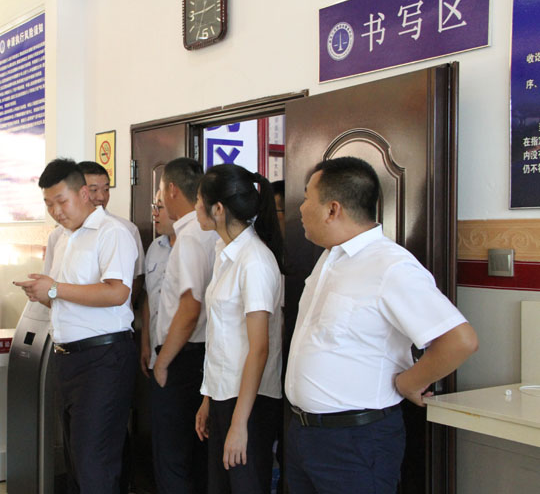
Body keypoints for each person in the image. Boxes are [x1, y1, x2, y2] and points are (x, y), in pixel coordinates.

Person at [285, 157, 479, 493]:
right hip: (305, 435)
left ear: (332, 209)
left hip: (355, 442)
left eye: (306, 198)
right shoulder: (330, 258)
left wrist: (409, 382)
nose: (300, 208)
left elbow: (460, 340)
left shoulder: (391, 266)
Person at [16, 158, 137, 494]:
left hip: (104, 358)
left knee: (94, 461)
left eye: (61, 201)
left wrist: (55, 289)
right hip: (67, 358)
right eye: (48, 204)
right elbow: (65, 299)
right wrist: (43, 293)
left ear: (84, 194)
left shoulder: (112, 232)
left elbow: (117, 293)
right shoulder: (61, 238)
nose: (56, 211)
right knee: (76, 461)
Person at [193, 164, 284, 494]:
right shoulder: (225, 252)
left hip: (250, 402)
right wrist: (208, 398)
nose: (195, 208)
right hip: (225, 394)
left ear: (218, 209)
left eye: (198, 201)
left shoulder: (254, 260)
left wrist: (239, 422)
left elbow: (259, 349)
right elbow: (223, 337)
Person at [152, 157, 219, 494]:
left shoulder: (191, 236)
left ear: (172, 190)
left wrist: (162, 362)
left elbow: (190, 308)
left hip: (184, 357)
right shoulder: (211, 232)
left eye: (161, 191)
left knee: (173, 458)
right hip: (203, 356)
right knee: (197, 456)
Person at [77, 161, 145, 302]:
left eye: (106, 189)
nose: (101, 197)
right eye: (94, 190)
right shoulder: (61, 234)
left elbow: (137, 277)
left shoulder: (125, 229)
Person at [140, 190, 176, 376]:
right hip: (155, 350)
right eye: (154, 207)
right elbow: (149, 297)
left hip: (183, 353)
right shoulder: (155, 247)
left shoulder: (195, 248)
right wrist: (145, 343)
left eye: (160, 208)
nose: (154, 213)